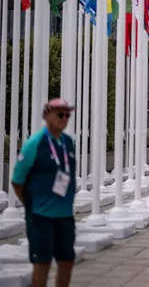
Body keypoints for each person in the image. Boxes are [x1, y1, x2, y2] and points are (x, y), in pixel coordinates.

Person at [11, 98, 77, 287]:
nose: (64, 118)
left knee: (67, 260)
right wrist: (30, 204)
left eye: (67, 115)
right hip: (41, 216)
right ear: (47, 115)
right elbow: (17, 180)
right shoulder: (35, 143)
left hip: (65, 214)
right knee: (42, 263)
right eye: (60, 114)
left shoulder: (68, 143)